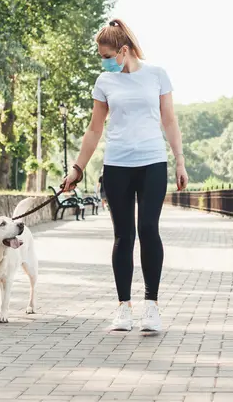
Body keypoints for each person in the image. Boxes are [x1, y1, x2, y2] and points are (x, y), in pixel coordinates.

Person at [61, 18, 188, 332]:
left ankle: (152, 308)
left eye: (107, 55)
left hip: (152, 163)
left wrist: (180, 160)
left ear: (125, 50)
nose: (104, 62)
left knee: (148, 229)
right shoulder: (105, 81)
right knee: (123, 236)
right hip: (116, 165)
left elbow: (169, 121)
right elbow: (94, 130)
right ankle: (123, 308)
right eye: (101, 57)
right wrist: (77, 168)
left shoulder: (157, 76)